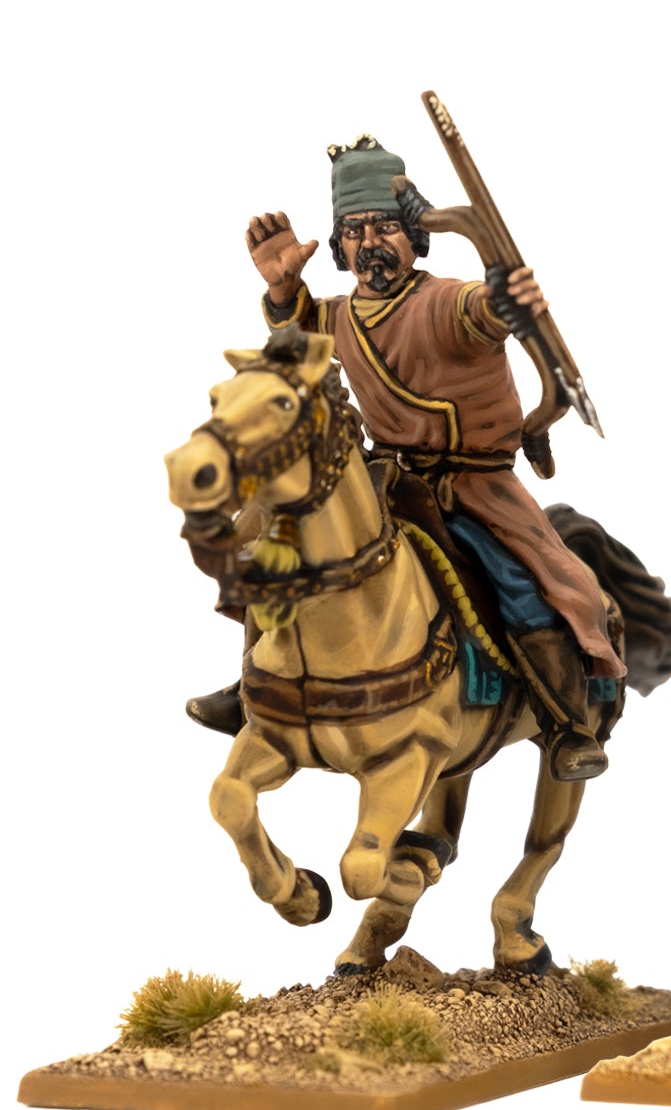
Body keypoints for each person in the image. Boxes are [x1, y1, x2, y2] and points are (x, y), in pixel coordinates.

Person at [187, 134, 623, 782]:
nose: (370, 243)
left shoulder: (445, 302)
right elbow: (294, 338)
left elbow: (483, 311)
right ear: (340, 246)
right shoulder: (339, 317)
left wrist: (503, 298)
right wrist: (284, 290)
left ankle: (566, 724)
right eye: (354, 231)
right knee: (268, 542)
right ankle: (257, 689)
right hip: (381, 477)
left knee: (526, 586)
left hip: (472, 488)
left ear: (413, 235)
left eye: (384, 227)